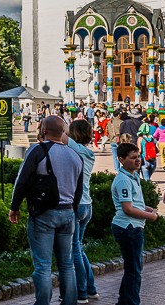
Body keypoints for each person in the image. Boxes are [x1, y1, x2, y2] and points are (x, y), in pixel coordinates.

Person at [8, 116, 85, 305]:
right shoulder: (76, 156)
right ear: (63, 132)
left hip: (43, 214)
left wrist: (14, 207)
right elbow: (79, 189)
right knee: (67, 265)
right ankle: (69, 302)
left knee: (43, 266)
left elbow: (22, 181)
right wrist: (72, 212)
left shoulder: (37, 150)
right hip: (67, 213)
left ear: (43, 130)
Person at [111, 142, 160, 305]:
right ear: (121, 160)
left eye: (138, 156)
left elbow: (134, 203)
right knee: (134, 271)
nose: (138, 160)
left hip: (133, 226)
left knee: (132, 269)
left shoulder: (133, 176)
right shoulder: (123, 180)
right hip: (128, 227)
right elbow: (128, 209)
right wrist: (149, 216)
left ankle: (124, 301)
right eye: (133, 158)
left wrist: (148, 208)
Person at [66, 119, 100, 301]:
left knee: (74, 250)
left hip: (77, 204)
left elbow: (60, 135)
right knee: (79, 248)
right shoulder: (88, 153)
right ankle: (91, 288)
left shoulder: (75, 149)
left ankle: (81, 292)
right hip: (87, 204)